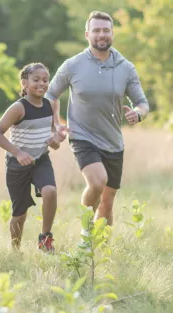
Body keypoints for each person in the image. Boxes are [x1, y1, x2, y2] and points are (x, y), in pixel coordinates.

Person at [46, 11, 149, 226]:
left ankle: (101, 249)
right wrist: (55, 124)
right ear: (87, 34)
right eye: (96, 31)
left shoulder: (126, 67)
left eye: (105, 30)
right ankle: (86, 232)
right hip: (82, 136)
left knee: (107, 202)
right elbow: (50, 95)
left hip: (113, 142)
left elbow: (143, 103)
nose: (101, 35)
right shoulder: (72, 65)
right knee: (97, 182)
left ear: (112, 33)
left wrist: (137, 114)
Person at [0, 63, 66, 252]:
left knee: (50, 191)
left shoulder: (49, 105)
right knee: (20, 213)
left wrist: (56, 139)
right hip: (17, 164)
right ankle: (15, 250)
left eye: (45, 80)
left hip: (41, 159)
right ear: (24, 83)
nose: (42, 83)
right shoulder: (18, 108)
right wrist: (18, 153)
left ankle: (45, 238)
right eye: (36, 80)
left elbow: (51, 137)